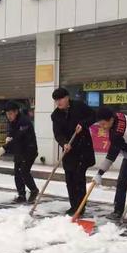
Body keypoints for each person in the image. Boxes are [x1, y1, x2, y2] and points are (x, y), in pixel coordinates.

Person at [51, 88, 96, 216]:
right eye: (56, 100)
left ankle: (80, 206)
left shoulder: (79, 106)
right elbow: (57, 133)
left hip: (82, 148)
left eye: (60, 99)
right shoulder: (55, 115)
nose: (58, 102)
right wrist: (64, 143)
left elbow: (93, 115)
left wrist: (83, 124)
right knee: (69, 179)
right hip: (68, 151)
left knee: (79, 178)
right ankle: (73, 206)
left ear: (67, 98)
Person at [0, 102, 39, 204]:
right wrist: (9, 136)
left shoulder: (24, 122)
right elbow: (13, 133)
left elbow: (18, 138)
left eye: (10, 114)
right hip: (19, 150)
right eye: (7, 114)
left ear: (16, 112)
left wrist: (5, 148)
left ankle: (34, 190)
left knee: (23, 171)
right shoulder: (13, 120)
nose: (8, 116)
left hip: (29, 151)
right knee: (17, 173)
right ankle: (21, 195)